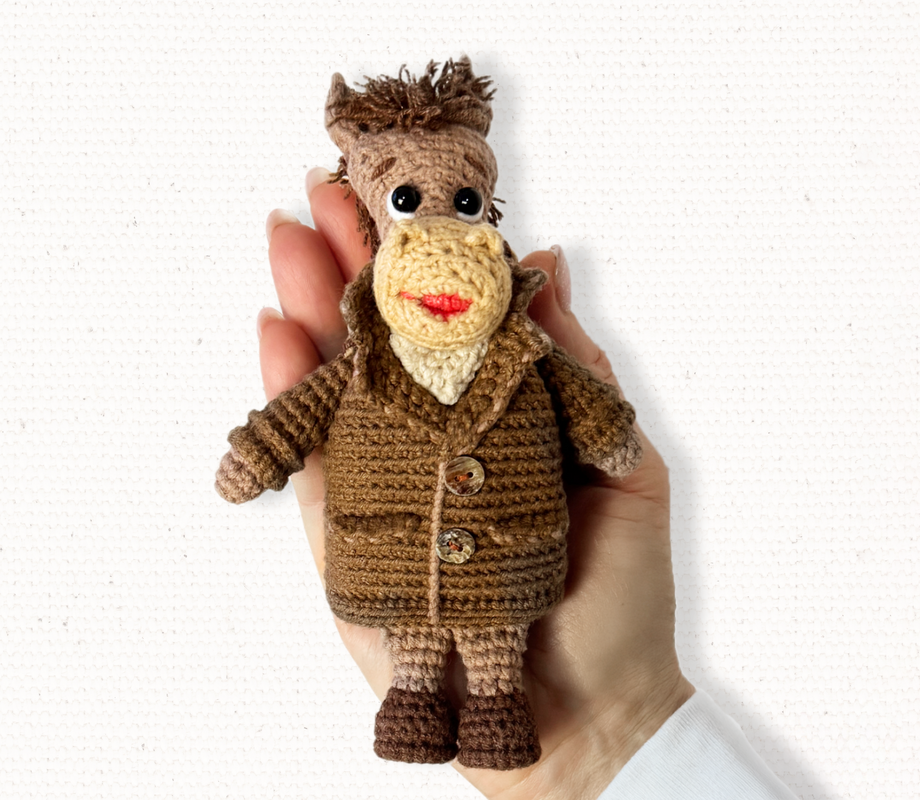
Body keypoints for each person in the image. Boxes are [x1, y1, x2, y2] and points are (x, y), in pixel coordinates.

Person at [253, 166, 799, 800]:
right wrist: (261, 451)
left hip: (507, 559)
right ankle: (414, 693)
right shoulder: (363, 361)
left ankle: (498, 700)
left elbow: (584, 403)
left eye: (465, 204)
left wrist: (608, 435)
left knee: (495, 638)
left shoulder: (526, 352)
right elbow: (303, 409)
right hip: (393, 558)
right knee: (412, 633)